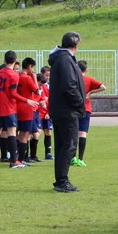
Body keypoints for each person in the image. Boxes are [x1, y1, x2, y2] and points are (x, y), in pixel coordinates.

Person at [49, 32, 86, 193]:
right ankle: (62, 181)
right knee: (69, 145)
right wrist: (79, 103)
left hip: (61, 109)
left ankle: (61, 179)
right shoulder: (65, 60)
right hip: (67, 110)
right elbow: (69, 85)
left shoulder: (60, 58)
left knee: (63, 145)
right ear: (76, 46)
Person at [0, 51, 27, 168]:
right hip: (9, 107)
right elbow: (13, 93)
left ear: (5, 60)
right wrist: (26, 100)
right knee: (12, 132)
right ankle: (13, 161)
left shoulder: (0, 72)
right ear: (15, 61)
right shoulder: (14, 75)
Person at [75, 60, 106, 167]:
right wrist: (91, 92)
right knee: (82, 133)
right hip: (85, 108)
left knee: (73, 133)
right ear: (86, 70)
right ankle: (80, 159)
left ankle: (72, 157)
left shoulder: (73, 79)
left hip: (74, 108)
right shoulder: (89, 80)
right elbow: (103, 87)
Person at [17, 58, 42, 164]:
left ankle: (16, 157)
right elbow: (37, 91)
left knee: (18, 133)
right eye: (32, 67)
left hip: (16, 106)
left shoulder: (17, 76)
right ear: (29, 66)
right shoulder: (27, 78)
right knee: (25, 134)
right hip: (26, 107)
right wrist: (34, 78)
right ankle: (21, 159)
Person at [38, 66, 53, 160]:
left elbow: (50, 100)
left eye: (49, 75)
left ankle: (48, 153)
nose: (48, 77)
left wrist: (48, 112)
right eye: (46, 75)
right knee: (37, 133)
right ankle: (31, 154)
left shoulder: (51, 86)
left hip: (47, 112)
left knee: (48, 131)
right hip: (39, 112)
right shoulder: (39, 85)